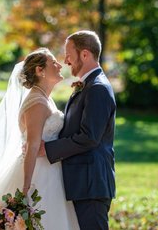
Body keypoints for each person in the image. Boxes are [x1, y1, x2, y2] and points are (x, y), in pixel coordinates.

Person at [0, 48, 80, 230]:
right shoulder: (37, 103)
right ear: (40, 71)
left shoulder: (44, 99)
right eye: (53, 63)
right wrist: (26, 188)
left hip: (51, 170)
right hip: (38, 175)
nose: (59, 65)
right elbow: (33, 145)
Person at [43, 30, 116, 230]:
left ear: (84, 54)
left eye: (69, 54)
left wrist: (48, 149)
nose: (65, 61)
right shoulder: (89, 85)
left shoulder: (98, 88)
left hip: (91, 184)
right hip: (83, 182)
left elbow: (89, 137)